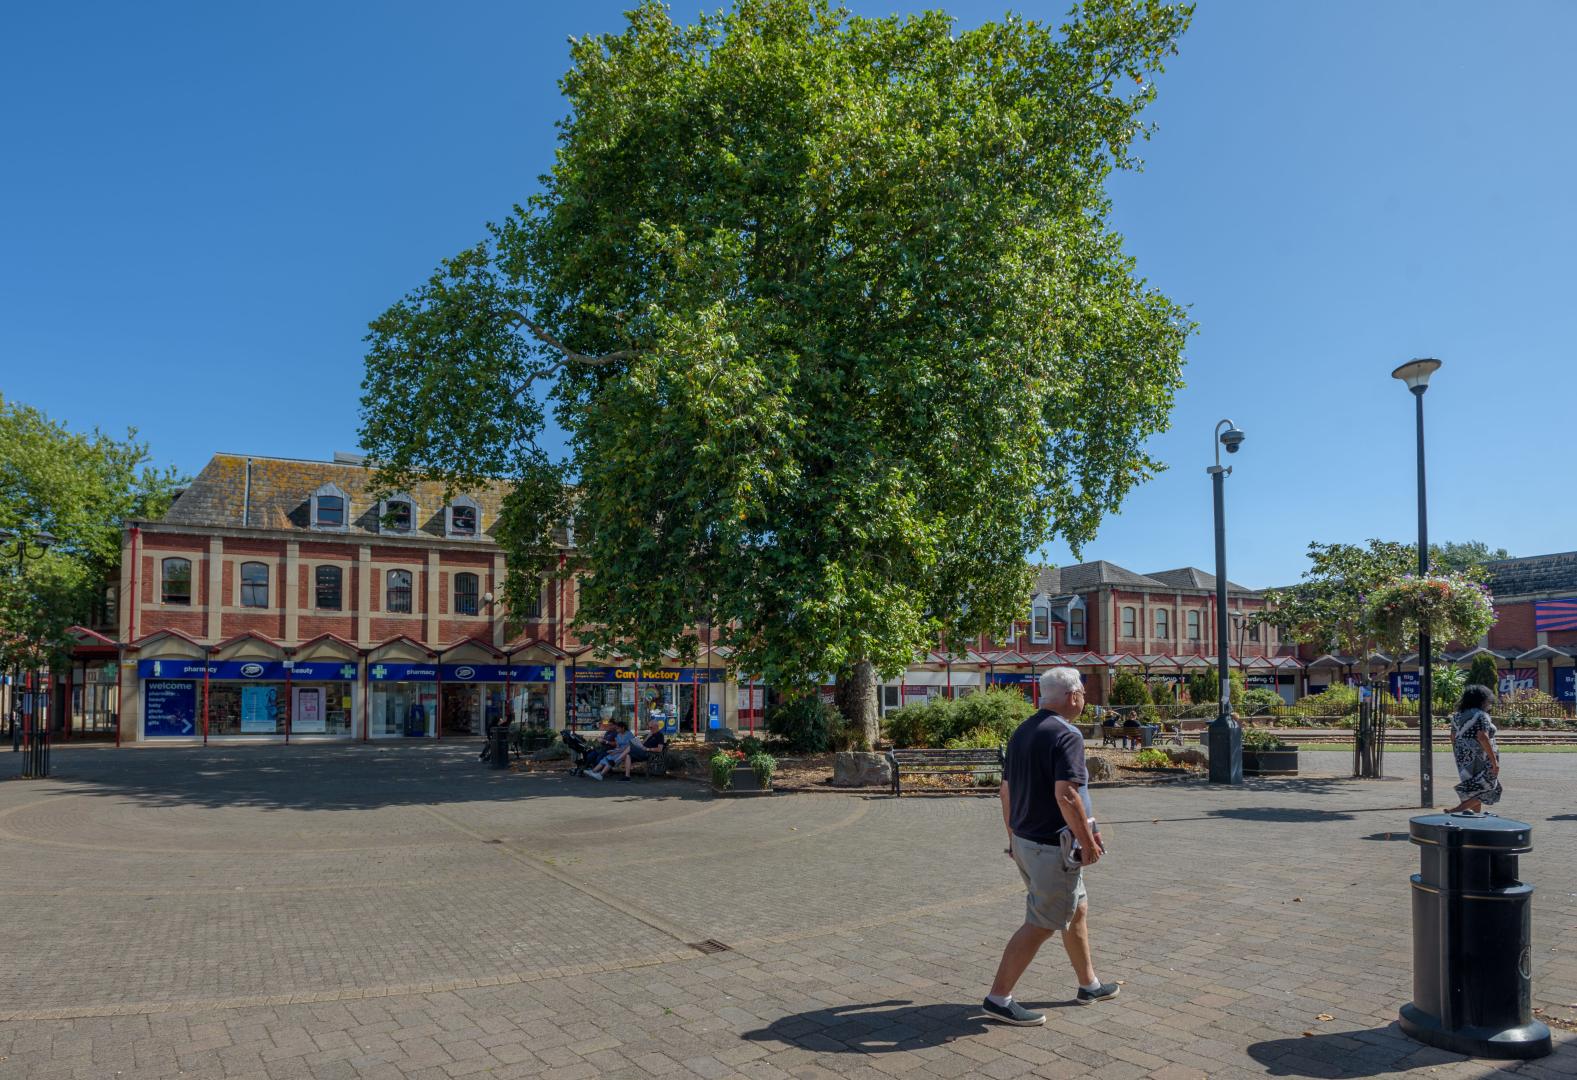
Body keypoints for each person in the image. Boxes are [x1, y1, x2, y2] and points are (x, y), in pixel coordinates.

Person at [983, 666, 1119, 1026]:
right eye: (1084, 695)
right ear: (1073, 696)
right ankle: (999, 998)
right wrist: (1087, 842)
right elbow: (1067, 794)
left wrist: (1012, 836)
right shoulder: (1067, 735)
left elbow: (1006, 791)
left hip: (1028, 841)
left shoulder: (1024, 731)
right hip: (1051, 846)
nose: (1086, 700)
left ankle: (1088, 984)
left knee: (1077, 909)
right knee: (1042, 923)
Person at [1446, 684, 1501, 812]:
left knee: (1472, 789)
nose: (1489, 703)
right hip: (1482, 758)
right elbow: (1482, 737)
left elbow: (1453, 737)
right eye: (1488, 700)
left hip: (1463, 759)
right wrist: (1494, 761)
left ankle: (1475, 819)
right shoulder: (1481, 715)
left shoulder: (1457, 716)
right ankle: (1458, 809)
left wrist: (1461, 755)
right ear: (1481, 700)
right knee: (1490, 787)